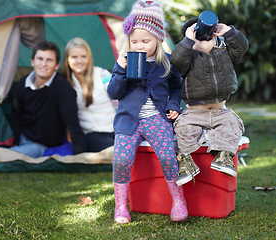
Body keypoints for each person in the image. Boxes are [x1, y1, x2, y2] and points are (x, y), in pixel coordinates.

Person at [107, 0, 188, 224]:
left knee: (167, 156)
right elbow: (113, 92)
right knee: (121, 159)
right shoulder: (123, 62)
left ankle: (178, 201)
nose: (139, 45)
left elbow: (175, 87)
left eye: (145, 41)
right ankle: (121, 206)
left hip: (156, 118)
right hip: (129, 120)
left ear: (158, 39)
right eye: (134, 41)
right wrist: (121, 70)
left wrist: (173, 106)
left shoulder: (166, 63)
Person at [170, 13, 249, 186]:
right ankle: (185, 163)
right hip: (194, 112)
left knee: (232, 124)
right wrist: (189, 41)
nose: (204, 39)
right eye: (197, 38)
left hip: (221, 110)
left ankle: (223, 158)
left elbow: (242, 47)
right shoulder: (187, 59)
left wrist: (227, 31)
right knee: (182, 129)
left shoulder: (224, 54)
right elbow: (176, 59)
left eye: (209, 36)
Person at [10, 40, 87, 158]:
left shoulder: (63, 87)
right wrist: (15, 141)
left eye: (49, 60)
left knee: (9, 156)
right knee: (10, 151)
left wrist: (80, 154)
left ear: (57, 65)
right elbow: (16, 115)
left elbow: (72, 121)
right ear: (32, 61)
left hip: (42, 145)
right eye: (40, 59)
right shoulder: (23, 83)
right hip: (23, 137)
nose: (43, 64)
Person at [61, 37, 116, 152]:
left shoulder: (101, 74)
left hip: (115, 129)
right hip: (91, 134)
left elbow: (118, 100)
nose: (79, 61)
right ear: (67, 59)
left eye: (83, 56)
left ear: (89, 58)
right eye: (74, 57)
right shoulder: (64, 84)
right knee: (114, 149)